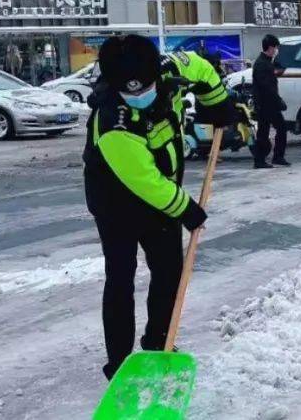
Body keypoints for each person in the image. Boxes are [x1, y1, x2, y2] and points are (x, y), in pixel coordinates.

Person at [83, 35, 234, 381]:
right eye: (129, 91)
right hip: (115, 202)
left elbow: (200, 68)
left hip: (159, 194)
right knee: (120, 277)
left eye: (144, 88)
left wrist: (217, 101)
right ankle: (119, 363)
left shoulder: (168, 68)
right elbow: (144, 180)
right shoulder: (113, 122)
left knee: (169, 271)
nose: (138, 96)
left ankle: (158, 344)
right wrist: (186, 208)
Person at [252, 33, 289, 169]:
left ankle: (277, 157)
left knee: (280, 128)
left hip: (270, 104)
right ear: (270, 47)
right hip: (265, 105)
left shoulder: (267, 62)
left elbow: (272, 76)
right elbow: (266, 87)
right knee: (264, 132)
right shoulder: (262, 64)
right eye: (275, 47)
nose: (276, 50)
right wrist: (279, 101)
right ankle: (259, 160)